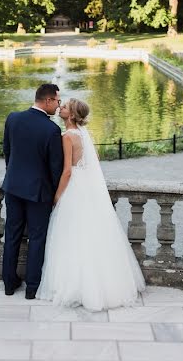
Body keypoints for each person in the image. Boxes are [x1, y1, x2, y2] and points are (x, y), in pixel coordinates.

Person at [37, 98, 146, 310]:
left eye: (65, 107)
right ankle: (103, 286)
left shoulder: (67, 136)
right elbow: (93, 158)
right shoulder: (84, 134)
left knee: (72, 235)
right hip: (87, 188)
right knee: (91, 234)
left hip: (74, 190)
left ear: (70, 115)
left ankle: (75, 286)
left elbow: (67, 171)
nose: (61, 107)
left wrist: (57, 196)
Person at [1, 83, 64, 299]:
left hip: (13, 187)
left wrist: (13, 177)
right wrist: (56, 194)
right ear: (47, 101)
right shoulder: (52, 130)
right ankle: (32, 287)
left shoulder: (13, 118)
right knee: (37, 238)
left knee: (12, 235)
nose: (58, 106)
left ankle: (9, 284)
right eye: (57, 101)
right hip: (39, 193)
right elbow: (55, 168)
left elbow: (7, 153)